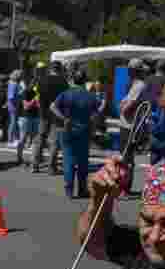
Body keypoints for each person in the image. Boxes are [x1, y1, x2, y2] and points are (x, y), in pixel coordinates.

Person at [51, 69, 104, 199]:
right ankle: (82, 189)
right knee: (82, 161)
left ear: (73, 80)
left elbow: (52, 107)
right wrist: (99, 109)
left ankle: (69, 189)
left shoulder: (65, 94)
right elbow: (98, 110)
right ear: (85, 81)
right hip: (84, 130)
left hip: (67, 129)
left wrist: (63, 118)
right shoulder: (90, 96)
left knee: (68, 159)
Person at [33, 60, 68, 174]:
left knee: (40, 138)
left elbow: (37, 98)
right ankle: (51, 167)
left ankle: (35, 165)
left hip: (43, 114)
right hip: (57, 115)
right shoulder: (63, 82)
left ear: (51, 69)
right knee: (54, 141)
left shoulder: (42, 80)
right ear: (60, 69)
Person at [17, 83, 41, 167]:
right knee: (23, 138)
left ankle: (33, 160)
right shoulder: (25, 92)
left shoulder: (36, 93)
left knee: (35, 139)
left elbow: (38, 106)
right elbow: (26, 107)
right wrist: (34, 100)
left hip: (35, 117)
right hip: (25, 118)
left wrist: (37, 102)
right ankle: (19, 158)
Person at [7, 69, 23, 147]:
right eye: (20, 75)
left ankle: (14, 138)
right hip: (13, 106)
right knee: (13, 123)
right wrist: (19, 97)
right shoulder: (13, 84)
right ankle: (10, 140)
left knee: (14, 123)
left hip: (14, 105)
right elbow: (11, 97)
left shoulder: (14, 84)